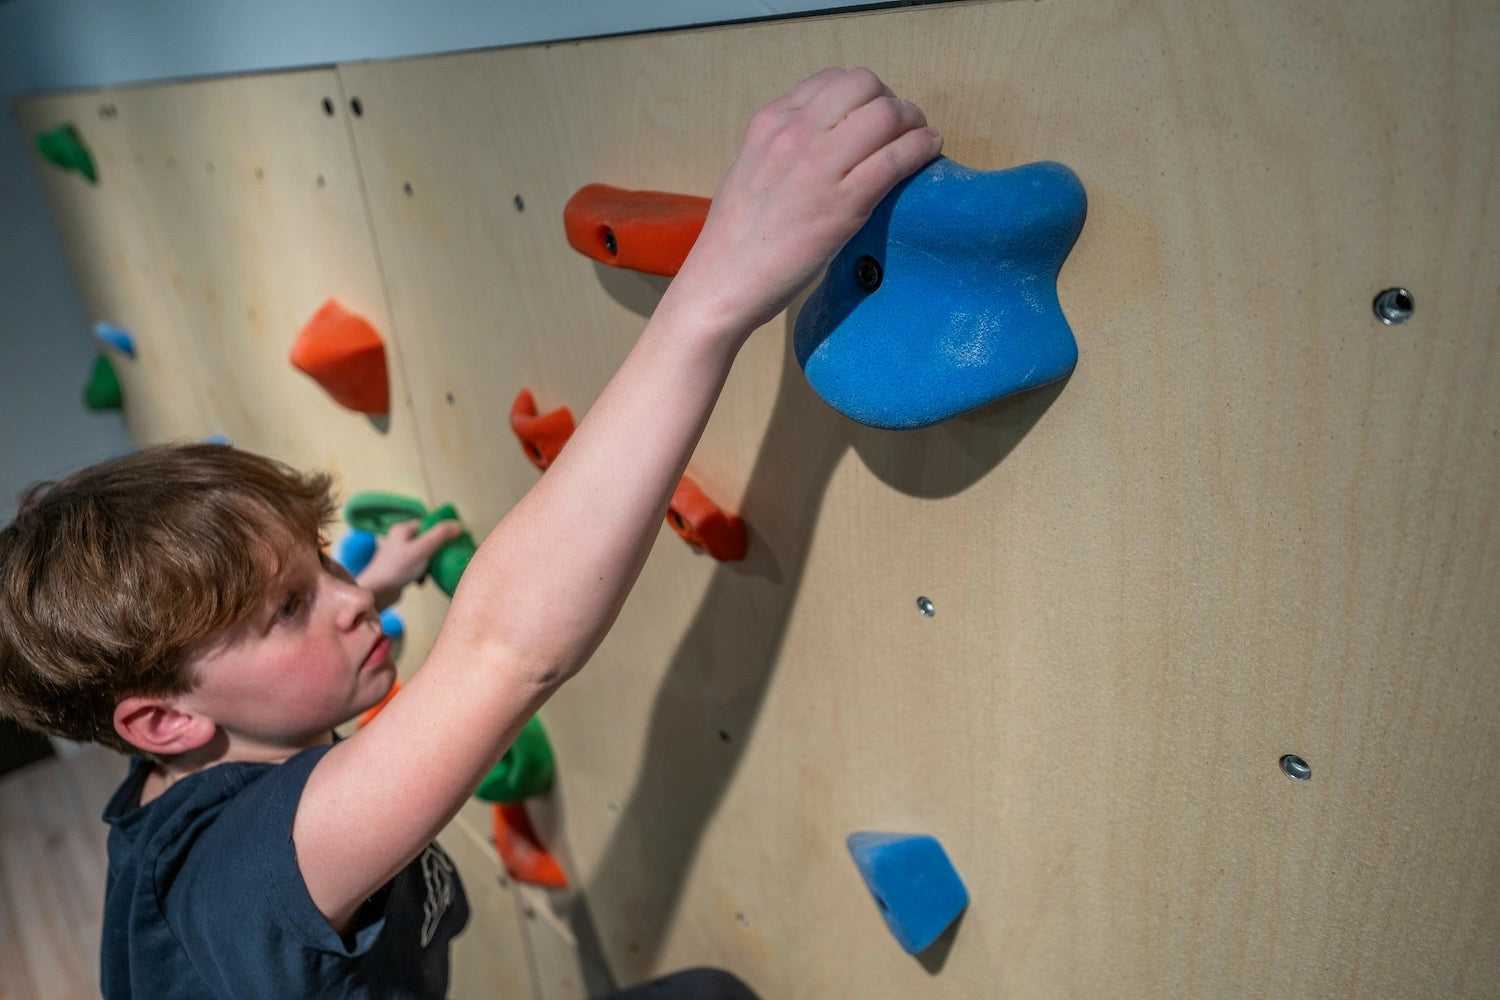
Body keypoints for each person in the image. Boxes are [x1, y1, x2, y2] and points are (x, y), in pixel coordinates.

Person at [0, 67, 941, 999]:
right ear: (164, 719)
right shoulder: (231, 882)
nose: (350, 596)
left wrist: (366, 582)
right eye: (291, 607)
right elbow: (506, 650)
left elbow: (244, 647)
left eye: (324, 564)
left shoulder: (181, 740)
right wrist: (720, 286)